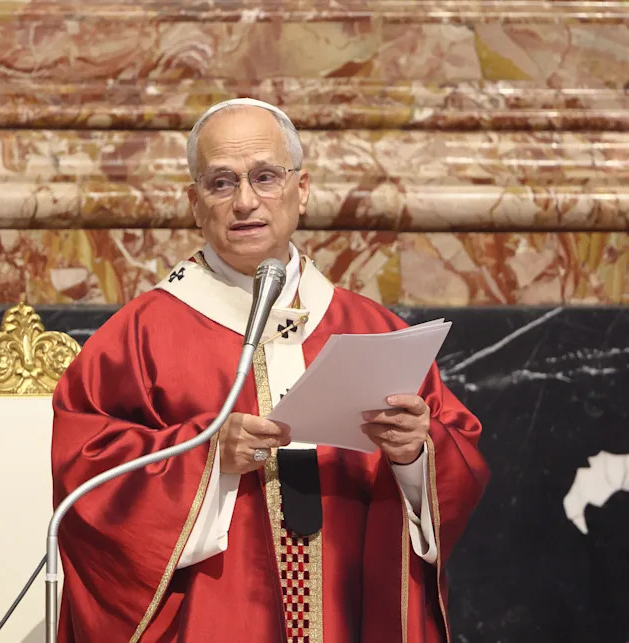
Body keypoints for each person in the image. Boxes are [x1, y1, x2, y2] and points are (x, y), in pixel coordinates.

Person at [51, 98, 489, 643]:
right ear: (194, 202)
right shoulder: (139, 338)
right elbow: (85, 478)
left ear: (300, 190)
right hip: (215, 617)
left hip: (352, 615)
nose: (245, 202)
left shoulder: (375, 329)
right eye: (221, 183)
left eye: (265, 177)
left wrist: (416, 455)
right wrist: (209, 458)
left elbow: (461, 457)